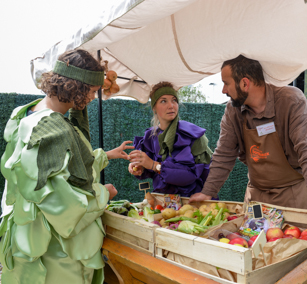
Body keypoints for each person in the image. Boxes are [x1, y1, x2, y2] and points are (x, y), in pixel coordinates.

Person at [0, 49, 133, 284]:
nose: (93, 98)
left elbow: (65, 164)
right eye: (92, 91)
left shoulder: (26, 114)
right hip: (56, 254)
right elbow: (65, 206)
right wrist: (105, 194)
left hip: (25, 241)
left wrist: (105, 156)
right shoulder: (55, 129)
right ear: (77, 87)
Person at [189, 55, 307, 227]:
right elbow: (224, 154)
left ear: (245, 84)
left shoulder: (291, 101)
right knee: (253, 237)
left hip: (290, 195)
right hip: (256, 195)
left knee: (285, 244)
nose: (224, 90)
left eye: (226, 83)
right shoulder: (233, 111)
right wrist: (208, 192)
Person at [128, 82, 212, 197]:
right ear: (154, 108)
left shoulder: (192, 135)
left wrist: (154, 165)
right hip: (163, 204)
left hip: (193, 204)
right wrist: (140, 168)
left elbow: (191, 175)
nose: (171, 105)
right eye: (163, 101)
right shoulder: (150, 138)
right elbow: (151, 170)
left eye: (174, 100)